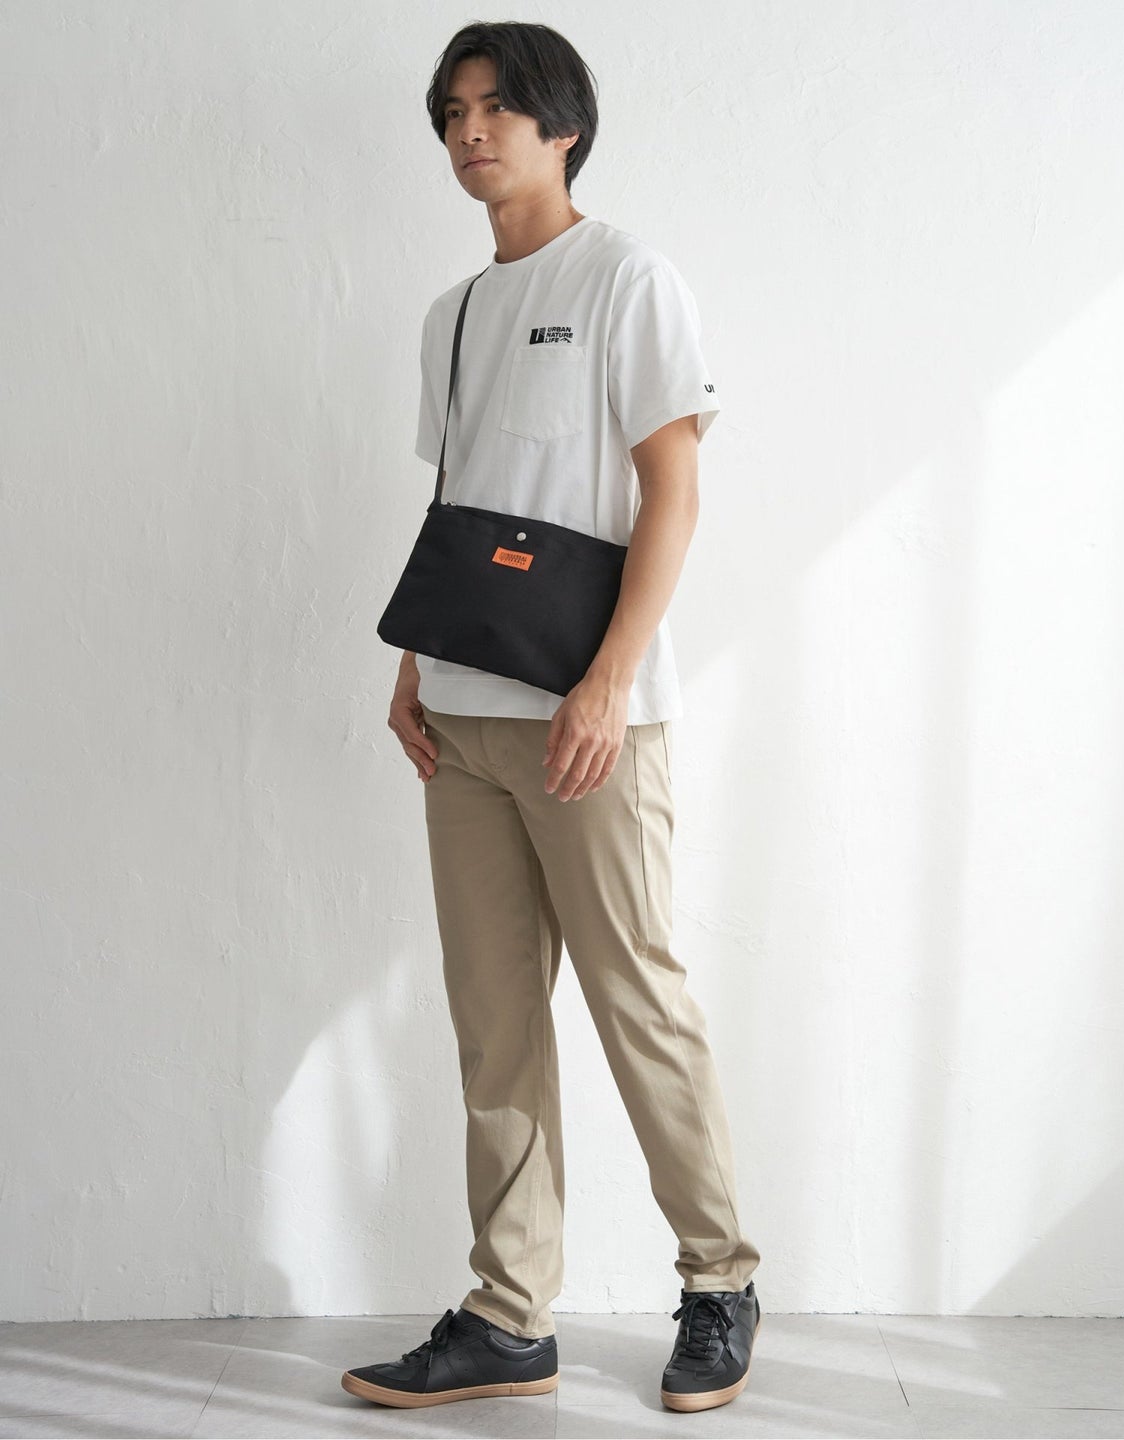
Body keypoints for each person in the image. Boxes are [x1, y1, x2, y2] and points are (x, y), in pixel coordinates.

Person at [341, 20, 762, 1415]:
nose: (471, 133)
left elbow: (673, 491)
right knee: (495, 1023)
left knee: (639, 1000)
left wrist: (611, 680)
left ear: (561, 126)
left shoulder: (628, 278)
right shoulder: (453, 314)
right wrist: (416, 662)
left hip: (591, 718)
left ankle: (720, 1279)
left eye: (497, 109)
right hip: (462, 717)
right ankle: (510, 1314)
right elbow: (462, 505)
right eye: (453, 112)